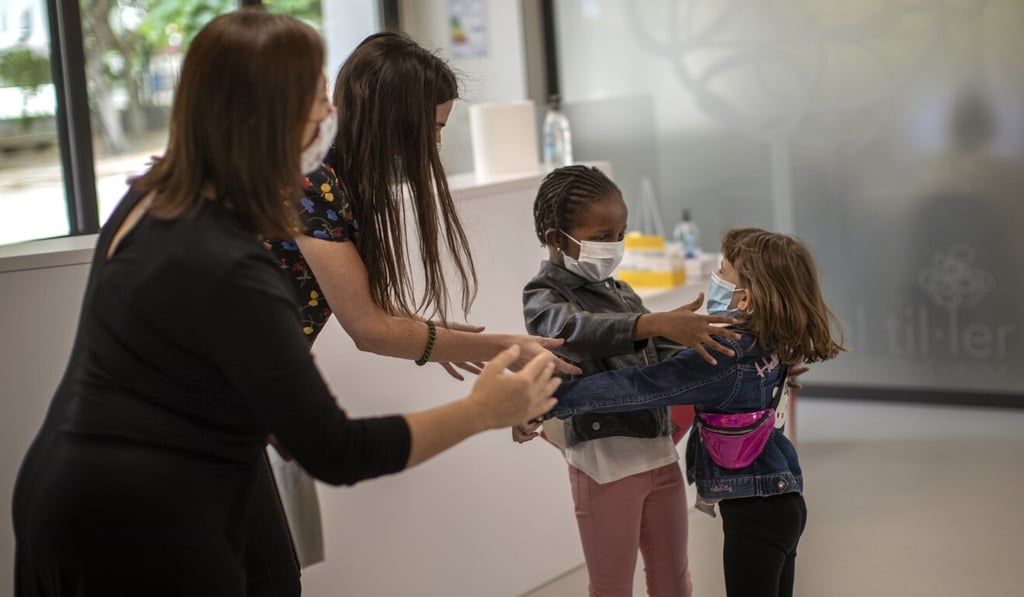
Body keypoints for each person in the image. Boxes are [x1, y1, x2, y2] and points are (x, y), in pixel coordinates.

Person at [10, 9, 559, 596]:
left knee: (274, 577)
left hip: (78, 482)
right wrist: (482, 410)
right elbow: (335, 447)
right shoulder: (231, 260)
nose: (329, 113)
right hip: (131, 515)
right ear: (265, 115)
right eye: (316, 99)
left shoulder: (161, 195)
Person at [542, 226, 846, 597]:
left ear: (745, 298)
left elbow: (641, 385)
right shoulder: (771, 340)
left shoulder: (724, 354)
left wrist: (548, 399)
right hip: (785, 501)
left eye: (723, 271)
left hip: (754, 514)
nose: (715, 278)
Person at [514, 165, 742, 597]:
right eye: (601, 237)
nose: (614, 246)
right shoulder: (543, 294)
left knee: (675, 582)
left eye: (620, 234)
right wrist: (653, 323)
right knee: (612, 587)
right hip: (605, 468)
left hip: (658, 455)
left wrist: (736, 355)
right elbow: (572, 332)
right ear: (555, 238)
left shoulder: (622, 292)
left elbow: (663, 357)